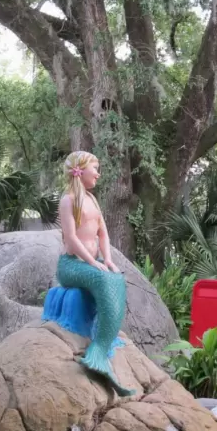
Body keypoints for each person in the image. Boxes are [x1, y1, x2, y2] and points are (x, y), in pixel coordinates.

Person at [49, 150, 135, 397]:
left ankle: (100, 349)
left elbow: (103, 234)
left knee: (115, 278)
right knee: (101, 278)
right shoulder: (69, 200)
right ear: (80, 170)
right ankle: (96, 352)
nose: (98, 173)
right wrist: (92, 262)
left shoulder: (92, 200)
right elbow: (71, 238)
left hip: (93, 261)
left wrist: (107, 260)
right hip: (72, 265)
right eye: (94, 168)